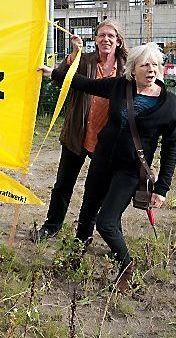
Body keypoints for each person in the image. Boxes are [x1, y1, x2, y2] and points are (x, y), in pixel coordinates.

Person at [39, 40, 176, 293]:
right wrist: (55, 73)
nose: (151, 69)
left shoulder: (168, 104)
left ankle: (126, 266)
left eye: (156, 65)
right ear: (133, 68)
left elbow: (171, 147)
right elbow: (86, 84)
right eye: (145, 64)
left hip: (130, 171)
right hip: (102, 161)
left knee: (106, 222)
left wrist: (162, 188)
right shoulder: (119, 86)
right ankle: (74, 259)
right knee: (86, 213)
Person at [33, 20, 127, 242]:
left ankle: (107, 232)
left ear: (118, 41)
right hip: (78, 132)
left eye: (110, 36)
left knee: (101, 192)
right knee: (63, 185)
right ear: (95, 39)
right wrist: (75, 51)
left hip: (107, 140)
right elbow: (62, 77)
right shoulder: (84, 61)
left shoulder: (127, 67)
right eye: (101, 35)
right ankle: (52, 226)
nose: (106, 39)